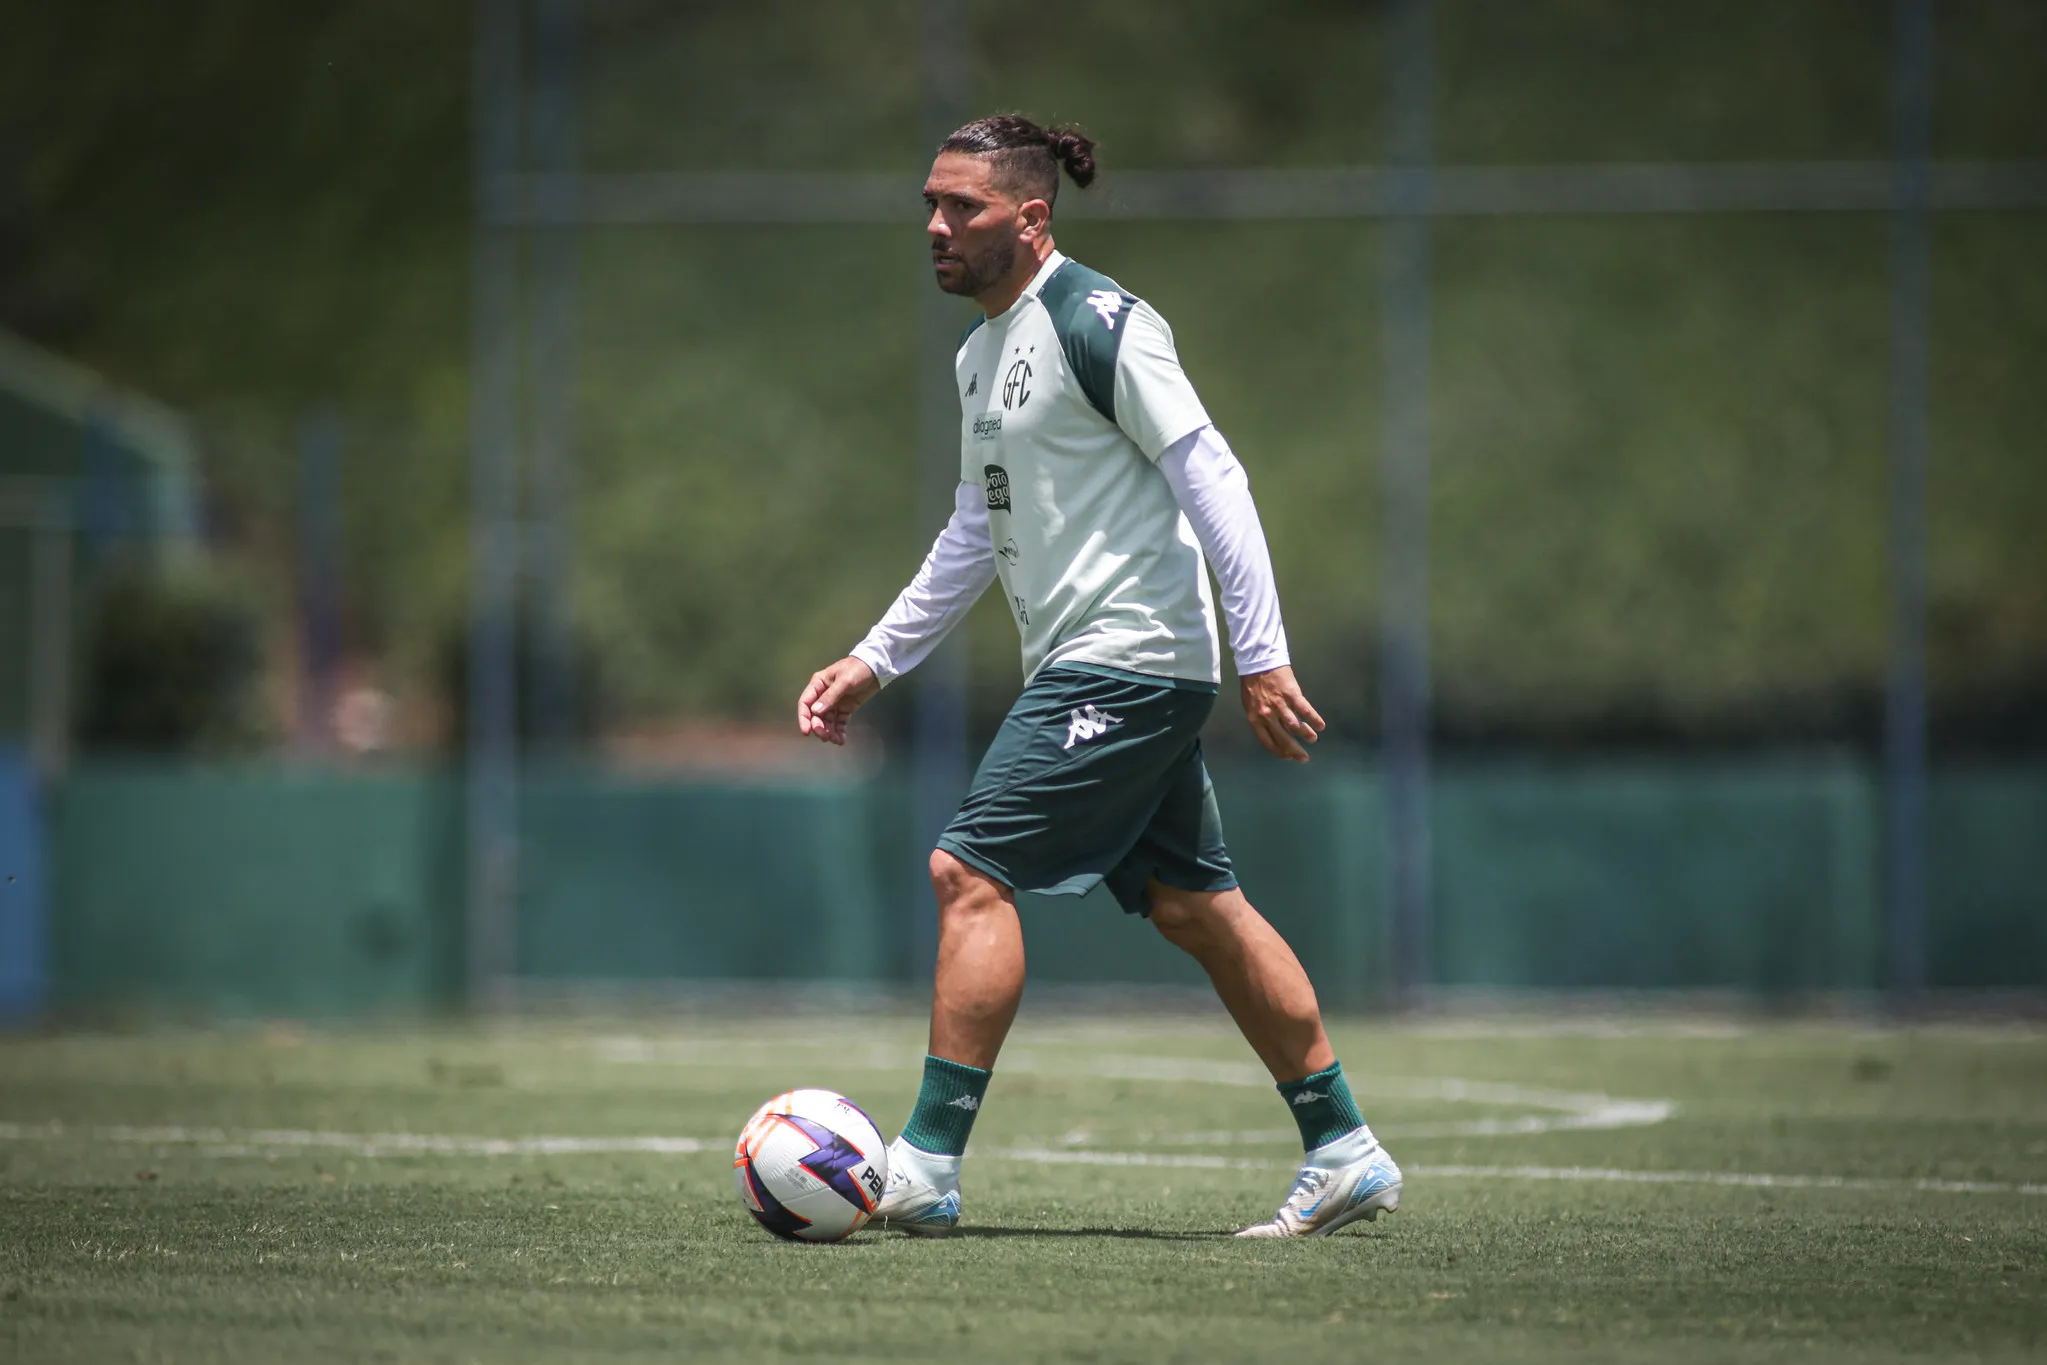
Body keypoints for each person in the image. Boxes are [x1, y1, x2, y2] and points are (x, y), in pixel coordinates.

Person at [796, 114, 1400, 1239]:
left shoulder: (1098, 319)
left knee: (965, 870)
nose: (934, 225)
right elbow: (977, 527)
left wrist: (1261, 653)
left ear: (1030, 218)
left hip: (1126, 660)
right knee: (1196, 906)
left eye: (960, 207)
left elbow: (1211, 471)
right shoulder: (980, 353)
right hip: (1113, 666)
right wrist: (875, 657)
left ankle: (923, 1166)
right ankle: (1344, 1148)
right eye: (928, 202)